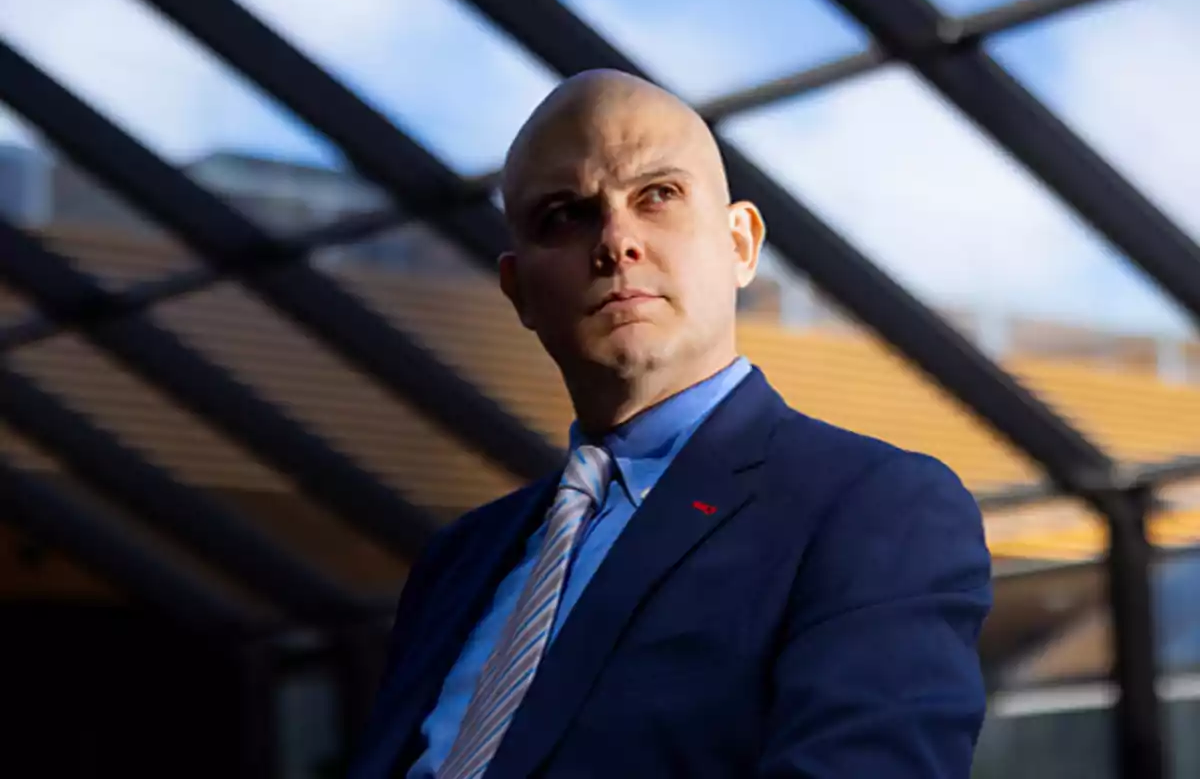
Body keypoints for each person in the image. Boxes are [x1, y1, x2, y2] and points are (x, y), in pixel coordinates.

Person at [349, 69, 992, 779]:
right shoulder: (458, 561)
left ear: (741, 243)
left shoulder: (874, 507)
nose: (617, 241)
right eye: (565, 214)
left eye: (657, 195)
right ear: (518, 289)